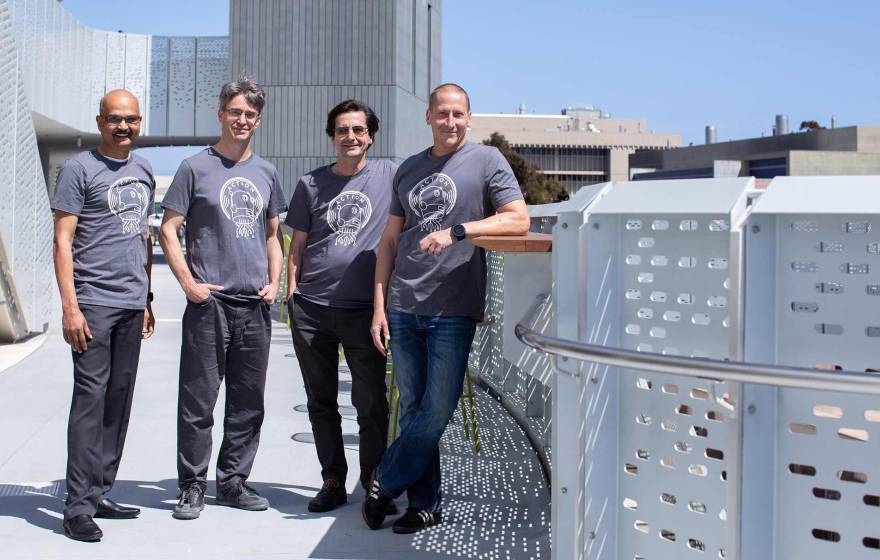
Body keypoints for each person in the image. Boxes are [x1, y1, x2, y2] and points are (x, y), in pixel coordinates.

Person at [363, 83, 530, 533]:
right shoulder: (410, 170)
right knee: (416, 406)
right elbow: (390, 241)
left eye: (458, 114)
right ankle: (425, 504)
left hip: (453, 307)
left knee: (438, 406)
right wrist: (380, 306)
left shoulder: (487, 161)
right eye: (442, 114)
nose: (450, 122)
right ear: (429, 118)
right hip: (403, 303)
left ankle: (383, 478)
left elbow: (519, 217)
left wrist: (459, 231)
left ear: (469, 118)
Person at [159, 76, 286, 520]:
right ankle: (192, 485)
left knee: (248, 401)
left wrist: (276, 282)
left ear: (258, 120)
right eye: (235, 112)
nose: (242, 120)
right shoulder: (195, 168)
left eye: (250, 114)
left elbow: (273, 235)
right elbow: (168, 229)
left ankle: (233, 482)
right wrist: (188, 284)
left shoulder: (267, 172)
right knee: (198, 401)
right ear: (221, 114)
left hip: (255, 305)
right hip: (207, 304)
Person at [52, 89, 156, 542]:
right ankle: (76, 508)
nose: (123, 127)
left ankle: (99, 492)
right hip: (93, 302)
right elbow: (62, 240)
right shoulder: (78, 169)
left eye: (131, 119)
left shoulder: (145, 169)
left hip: (132, 303)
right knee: (89, 404)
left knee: (119, 402)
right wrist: (70, 307)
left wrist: (148, 297)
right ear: (99, 122)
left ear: (139, 123)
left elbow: (142, 239)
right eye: (115, 119)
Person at [285, 100, 397, 513]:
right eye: (343, 130)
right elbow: (297, 244)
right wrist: (293, 295)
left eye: (359, 130)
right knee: (321, 401)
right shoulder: (310, 184)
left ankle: (373, 481)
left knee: (370, 402)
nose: (351, 136)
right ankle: (332, 479)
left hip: (365, 310)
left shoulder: (389, 175)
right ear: (332, 137)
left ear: (370, 135)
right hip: (312, 309)